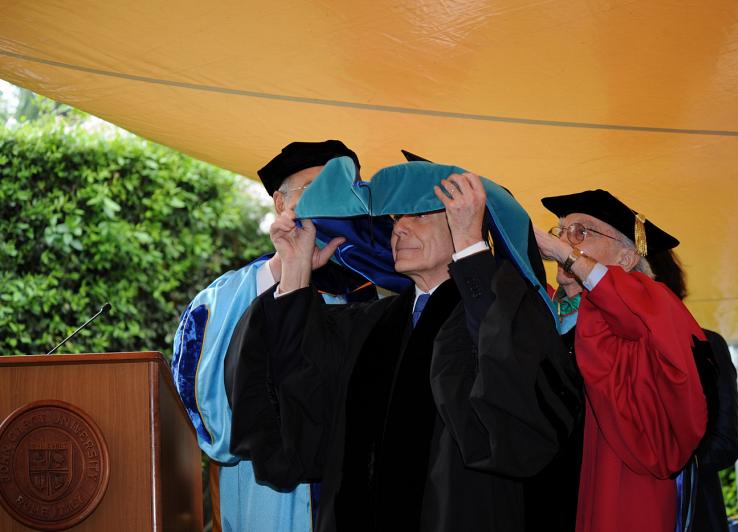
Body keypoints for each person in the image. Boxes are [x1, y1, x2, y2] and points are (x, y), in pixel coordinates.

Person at [226, 161, 582, 531]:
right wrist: (296, 271)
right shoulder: (370, 325)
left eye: (420, 214)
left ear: (463, 220)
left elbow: (517, 417)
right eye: (397, 218)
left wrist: (471, 249)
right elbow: (302, 402)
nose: (399, 228)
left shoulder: (506, 313)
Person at [171, 140, 374, 531]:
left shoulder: (374, 293)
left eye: (343, 189)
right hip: (268, 498)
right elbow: (209, 413)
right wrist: (289, 271)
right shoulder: (226, 297)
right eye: (314, 188)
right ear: (281, 204)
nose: (331, 201)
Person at [533, 189, 708, 532]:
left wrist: (566, 254)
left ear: (626, 259)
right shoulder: (546, 312)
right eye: (561, 232)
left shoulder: (652, 304)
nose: (565, 242)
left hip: (619, 485)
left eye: (581, 232)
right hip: (549, 489)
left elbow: (627, 309)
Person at [649, 250, 738, 532]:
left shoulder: (706, 345)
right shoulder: (605, 348)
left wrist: (662, 463)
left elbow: (725, 443)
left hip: (694, 510)